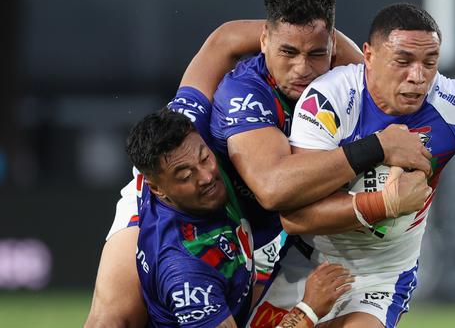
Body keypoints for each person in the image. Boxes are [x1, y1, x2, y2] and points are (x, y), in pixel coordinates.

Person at [85, 0, 436, 328]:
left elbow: (377, 73)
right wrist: (379, 156)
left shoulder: (339, 82)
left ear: (331, 45)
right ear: (265, 40)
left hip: (245, 227)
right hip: (171, 208)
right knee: (112, 319)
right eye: (287, 50)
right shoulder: (243, 95)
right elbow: (273, 189)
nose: (302, 68)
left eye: (317, 52)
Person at [249, 2, 455, 328]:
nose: (418, 77)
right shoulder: (328, 100)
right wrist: (384, 204)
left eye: (429, 62)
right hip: (307, 265)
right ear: (370, 56)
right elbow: (296, 216)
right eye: (403, 61)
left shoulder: (454, 102)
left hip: (382, 276)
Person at [125, 106, 356, 328]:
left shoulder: (189, 146)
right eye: (186, 175)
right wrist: (308, 310)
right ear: (157, 189)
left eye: (205, 158)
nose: (206, 177)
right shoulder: (186, 272)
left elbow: (204, 72)